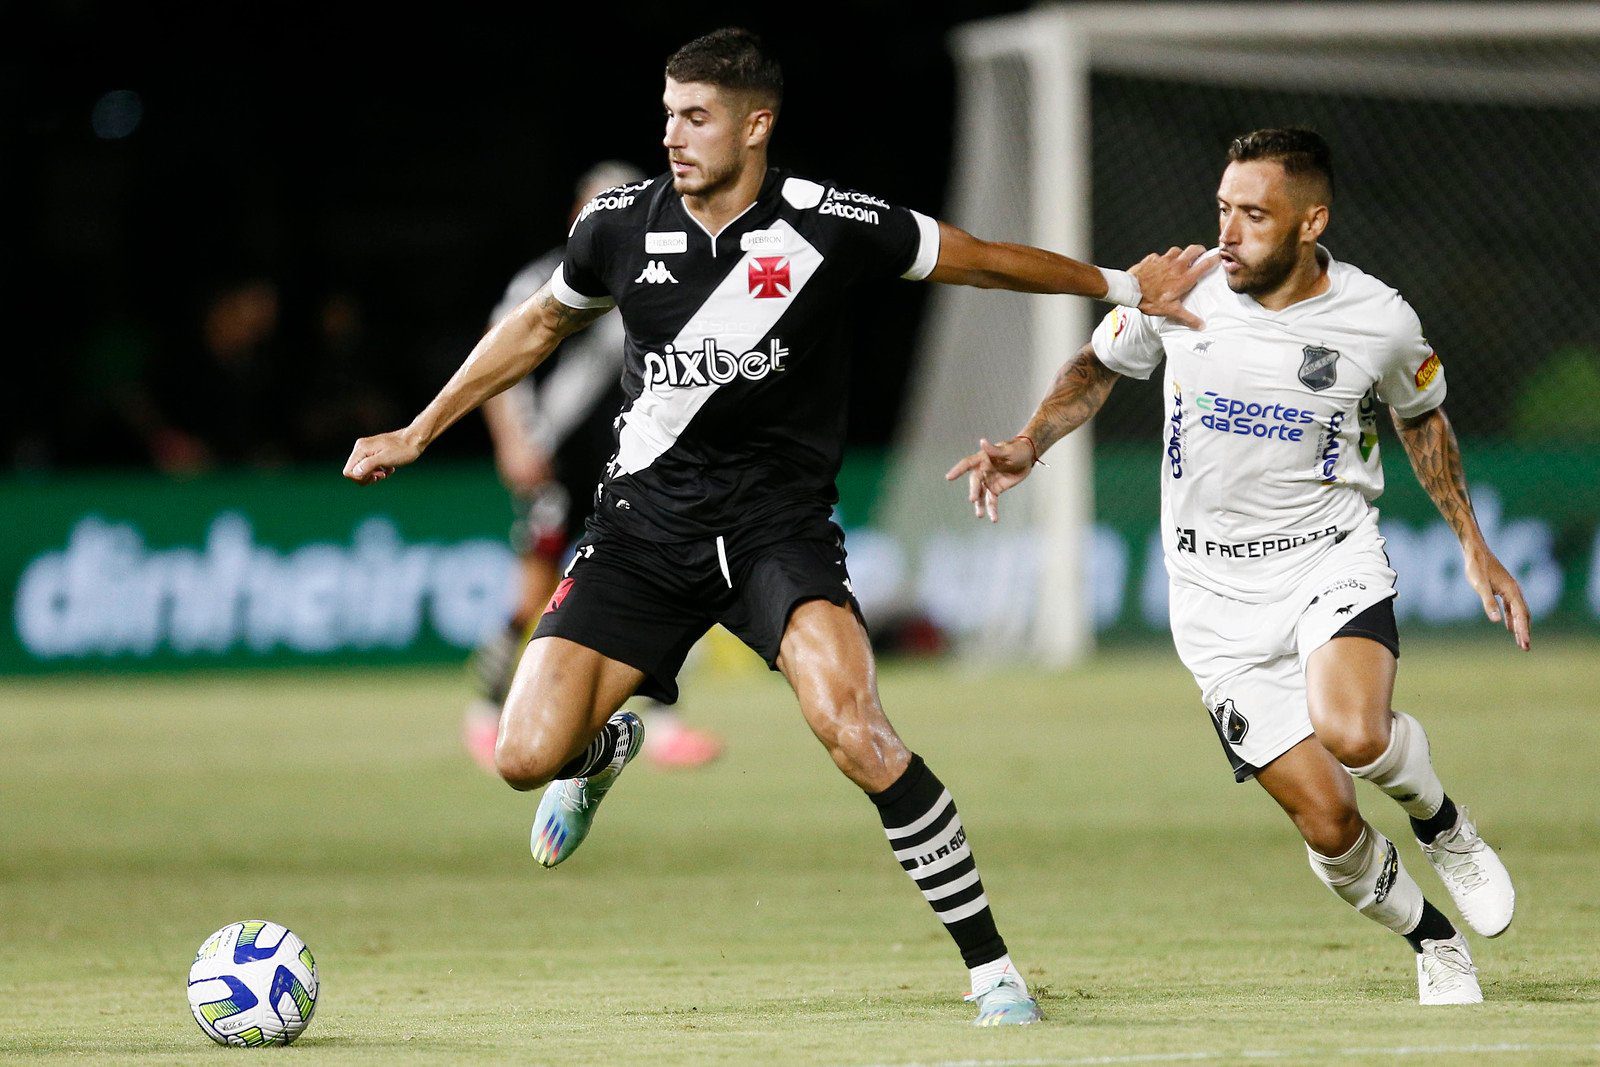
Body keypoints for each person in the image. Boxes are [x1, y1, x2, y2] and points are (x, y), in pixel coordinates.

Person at [345, 27, 1208, 1025]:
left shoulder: (831, 223)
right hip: (640, 531)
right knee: (521, 754)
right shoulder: (619, 225)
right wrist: (420, 427)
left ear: (757, 125)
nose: (674, 135)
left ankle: (992, 971)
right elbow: (538, 323)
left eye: (696, 117)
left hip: (774, 534)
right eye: (667, 113)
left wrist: (1119, 285)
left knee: (857, 729)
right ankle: (602, 751)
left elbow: (980, 260)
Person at [948, 128, 1527, 1006]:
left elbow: (1422, 419)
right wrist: (1030, 441)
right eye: (1223, 209)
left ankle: (1445, 825)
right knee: (1330, 824)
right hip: (1212, 600)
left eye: (1255, 215)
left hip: (1326, 560)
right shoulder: (1186, 292)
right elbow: (1097, 367)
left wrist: (1473, 544)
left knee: (1356, 732)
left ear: (1310, 221)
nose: (1230, 232)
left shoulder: (1379, 318)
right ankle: (1432, 937)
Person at [465, 161, 725, 774]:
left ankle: (661, 728)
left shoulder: (658, 276)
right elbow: (498, 352)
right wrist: (512, 442)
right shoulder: (546, 277)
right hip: (557, 460)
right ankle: (483, 712)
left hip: (634, 466)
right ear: (578, 213)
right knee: (532, 597)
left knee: (660, 592)